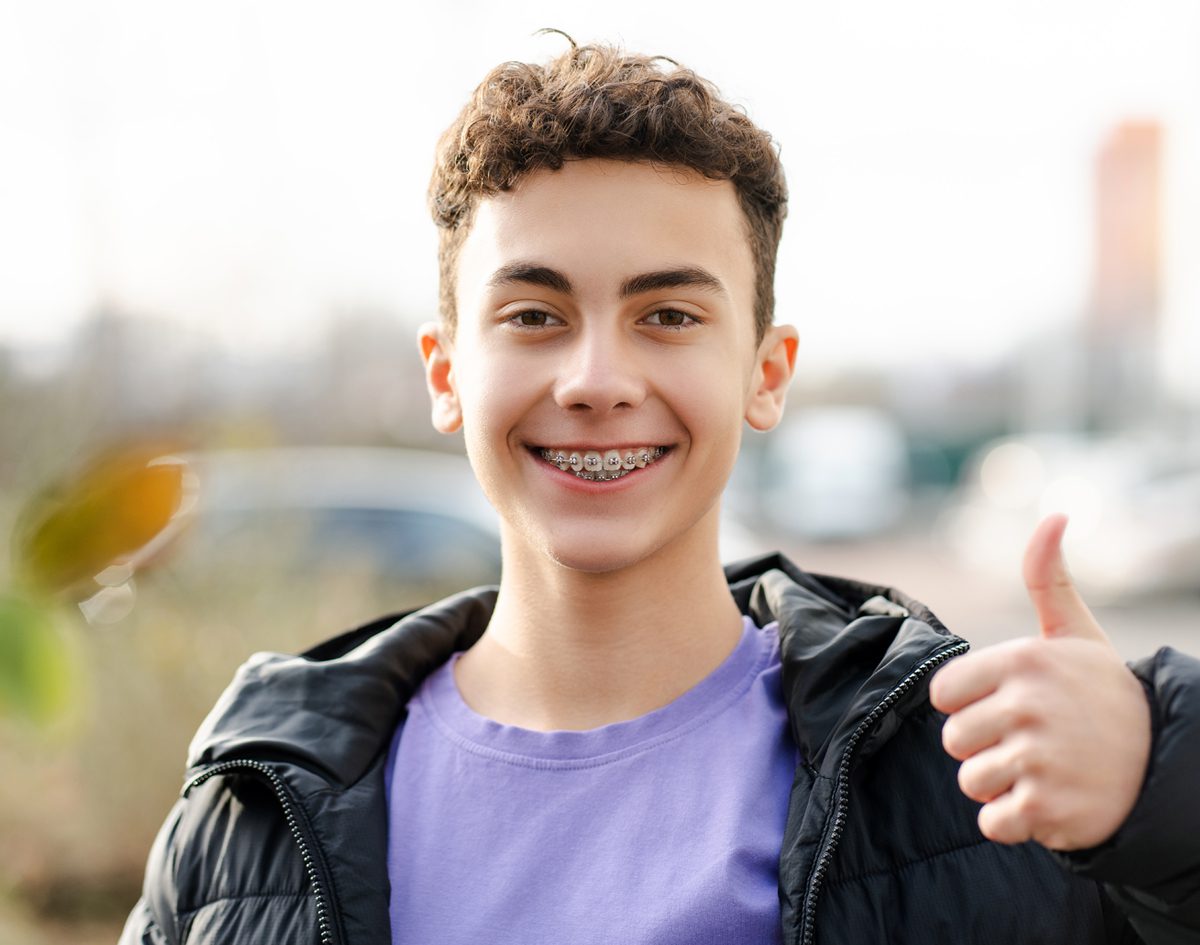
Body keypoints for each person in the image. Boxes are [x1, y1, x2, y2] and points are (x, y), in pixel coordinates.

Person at [119, 38, 1200, 944]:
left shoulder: (965, 778)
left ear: (765, 373)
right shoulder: (249, 812)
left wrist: (1166, 801)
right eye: (535, 315)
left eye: (669, 315)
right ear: (447, 374)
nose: (595, 381)